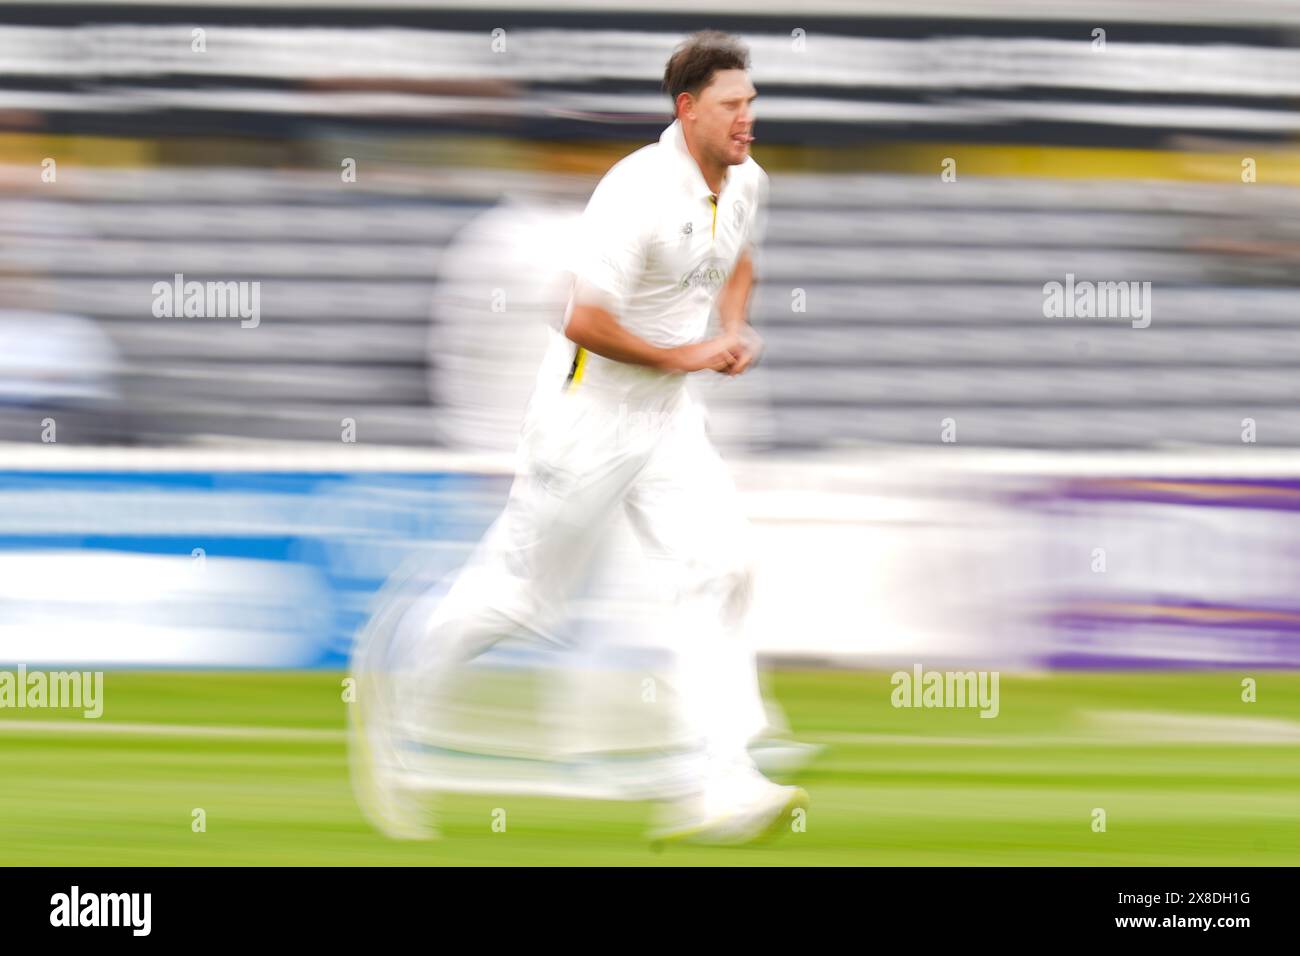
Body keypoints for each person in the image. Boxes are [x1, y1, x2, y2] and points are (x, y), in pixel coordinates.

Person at [351, 30, 806, 846]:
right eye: (734, 106)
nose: (748, 120)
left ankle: (719, 782)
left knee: (720, 566)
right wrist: (686, 352)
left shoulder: (746, 182)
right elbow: (585, 321)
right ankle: (393, 696)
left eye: (752, 103)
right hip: (586, 421)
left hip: (665, 418)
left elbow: (740, 264)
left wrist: (734, 329)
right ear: (689, 108)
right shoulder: (633, 193)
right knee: (521, 601)